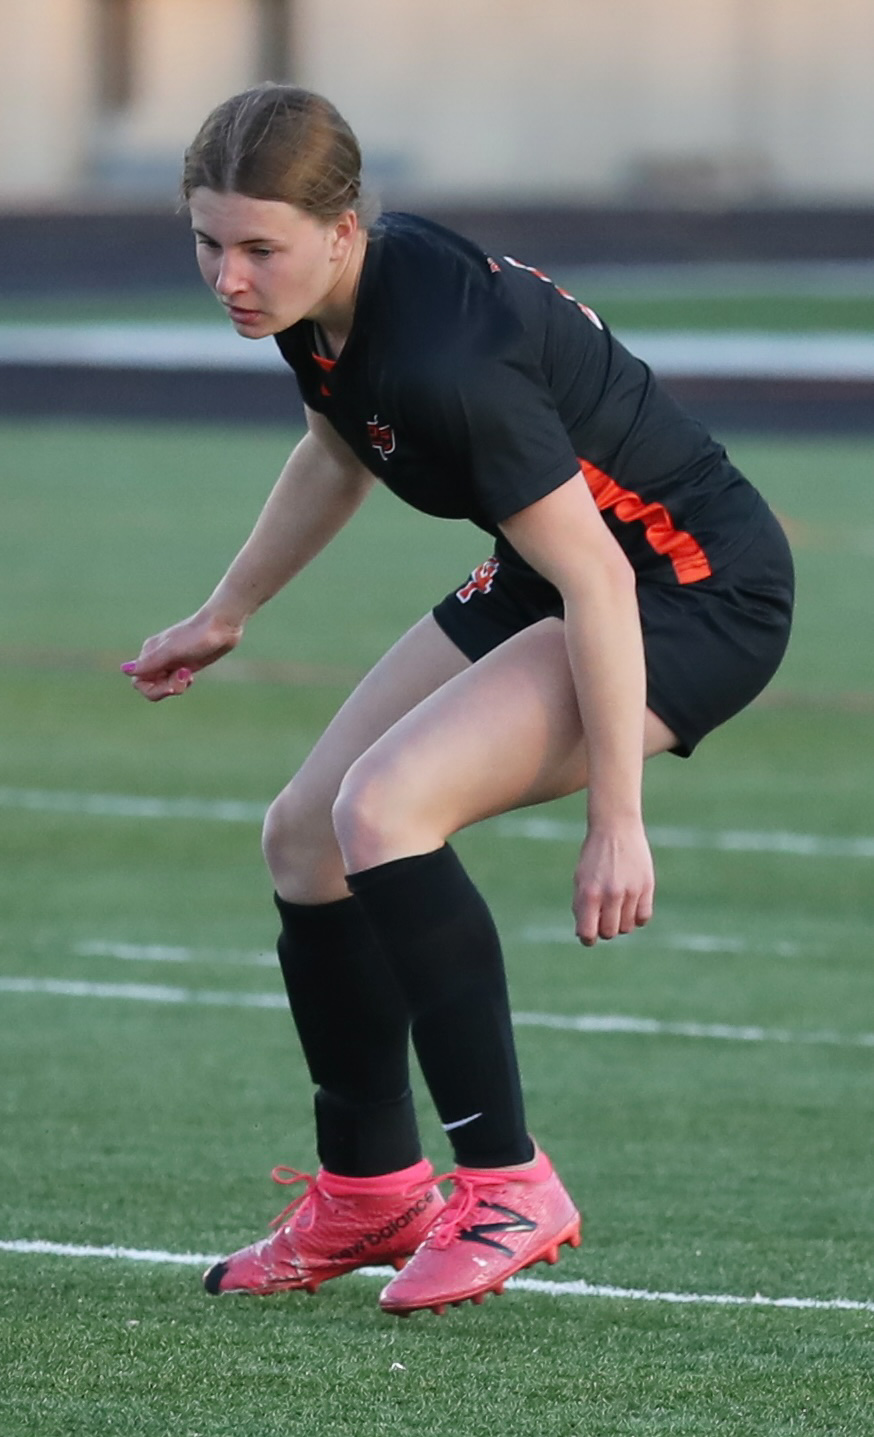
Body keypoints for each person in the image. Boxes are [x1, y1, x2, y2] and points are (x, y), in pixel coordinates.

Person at [122, 86, 793, 1316]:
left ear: (343, 228)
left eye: (259, 247)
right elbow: (337, 450)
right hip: (560, 569)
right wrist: (227, 612)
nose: (229, 277)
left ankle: (507, 1181)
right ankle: (369, 1190)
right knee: (306, 834)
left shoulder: (444, 357)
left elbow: (599, 580)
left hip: (686, 590)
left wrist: (617, 821)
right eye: (208, 243)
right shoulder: (322, 304)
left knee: (384, 808)